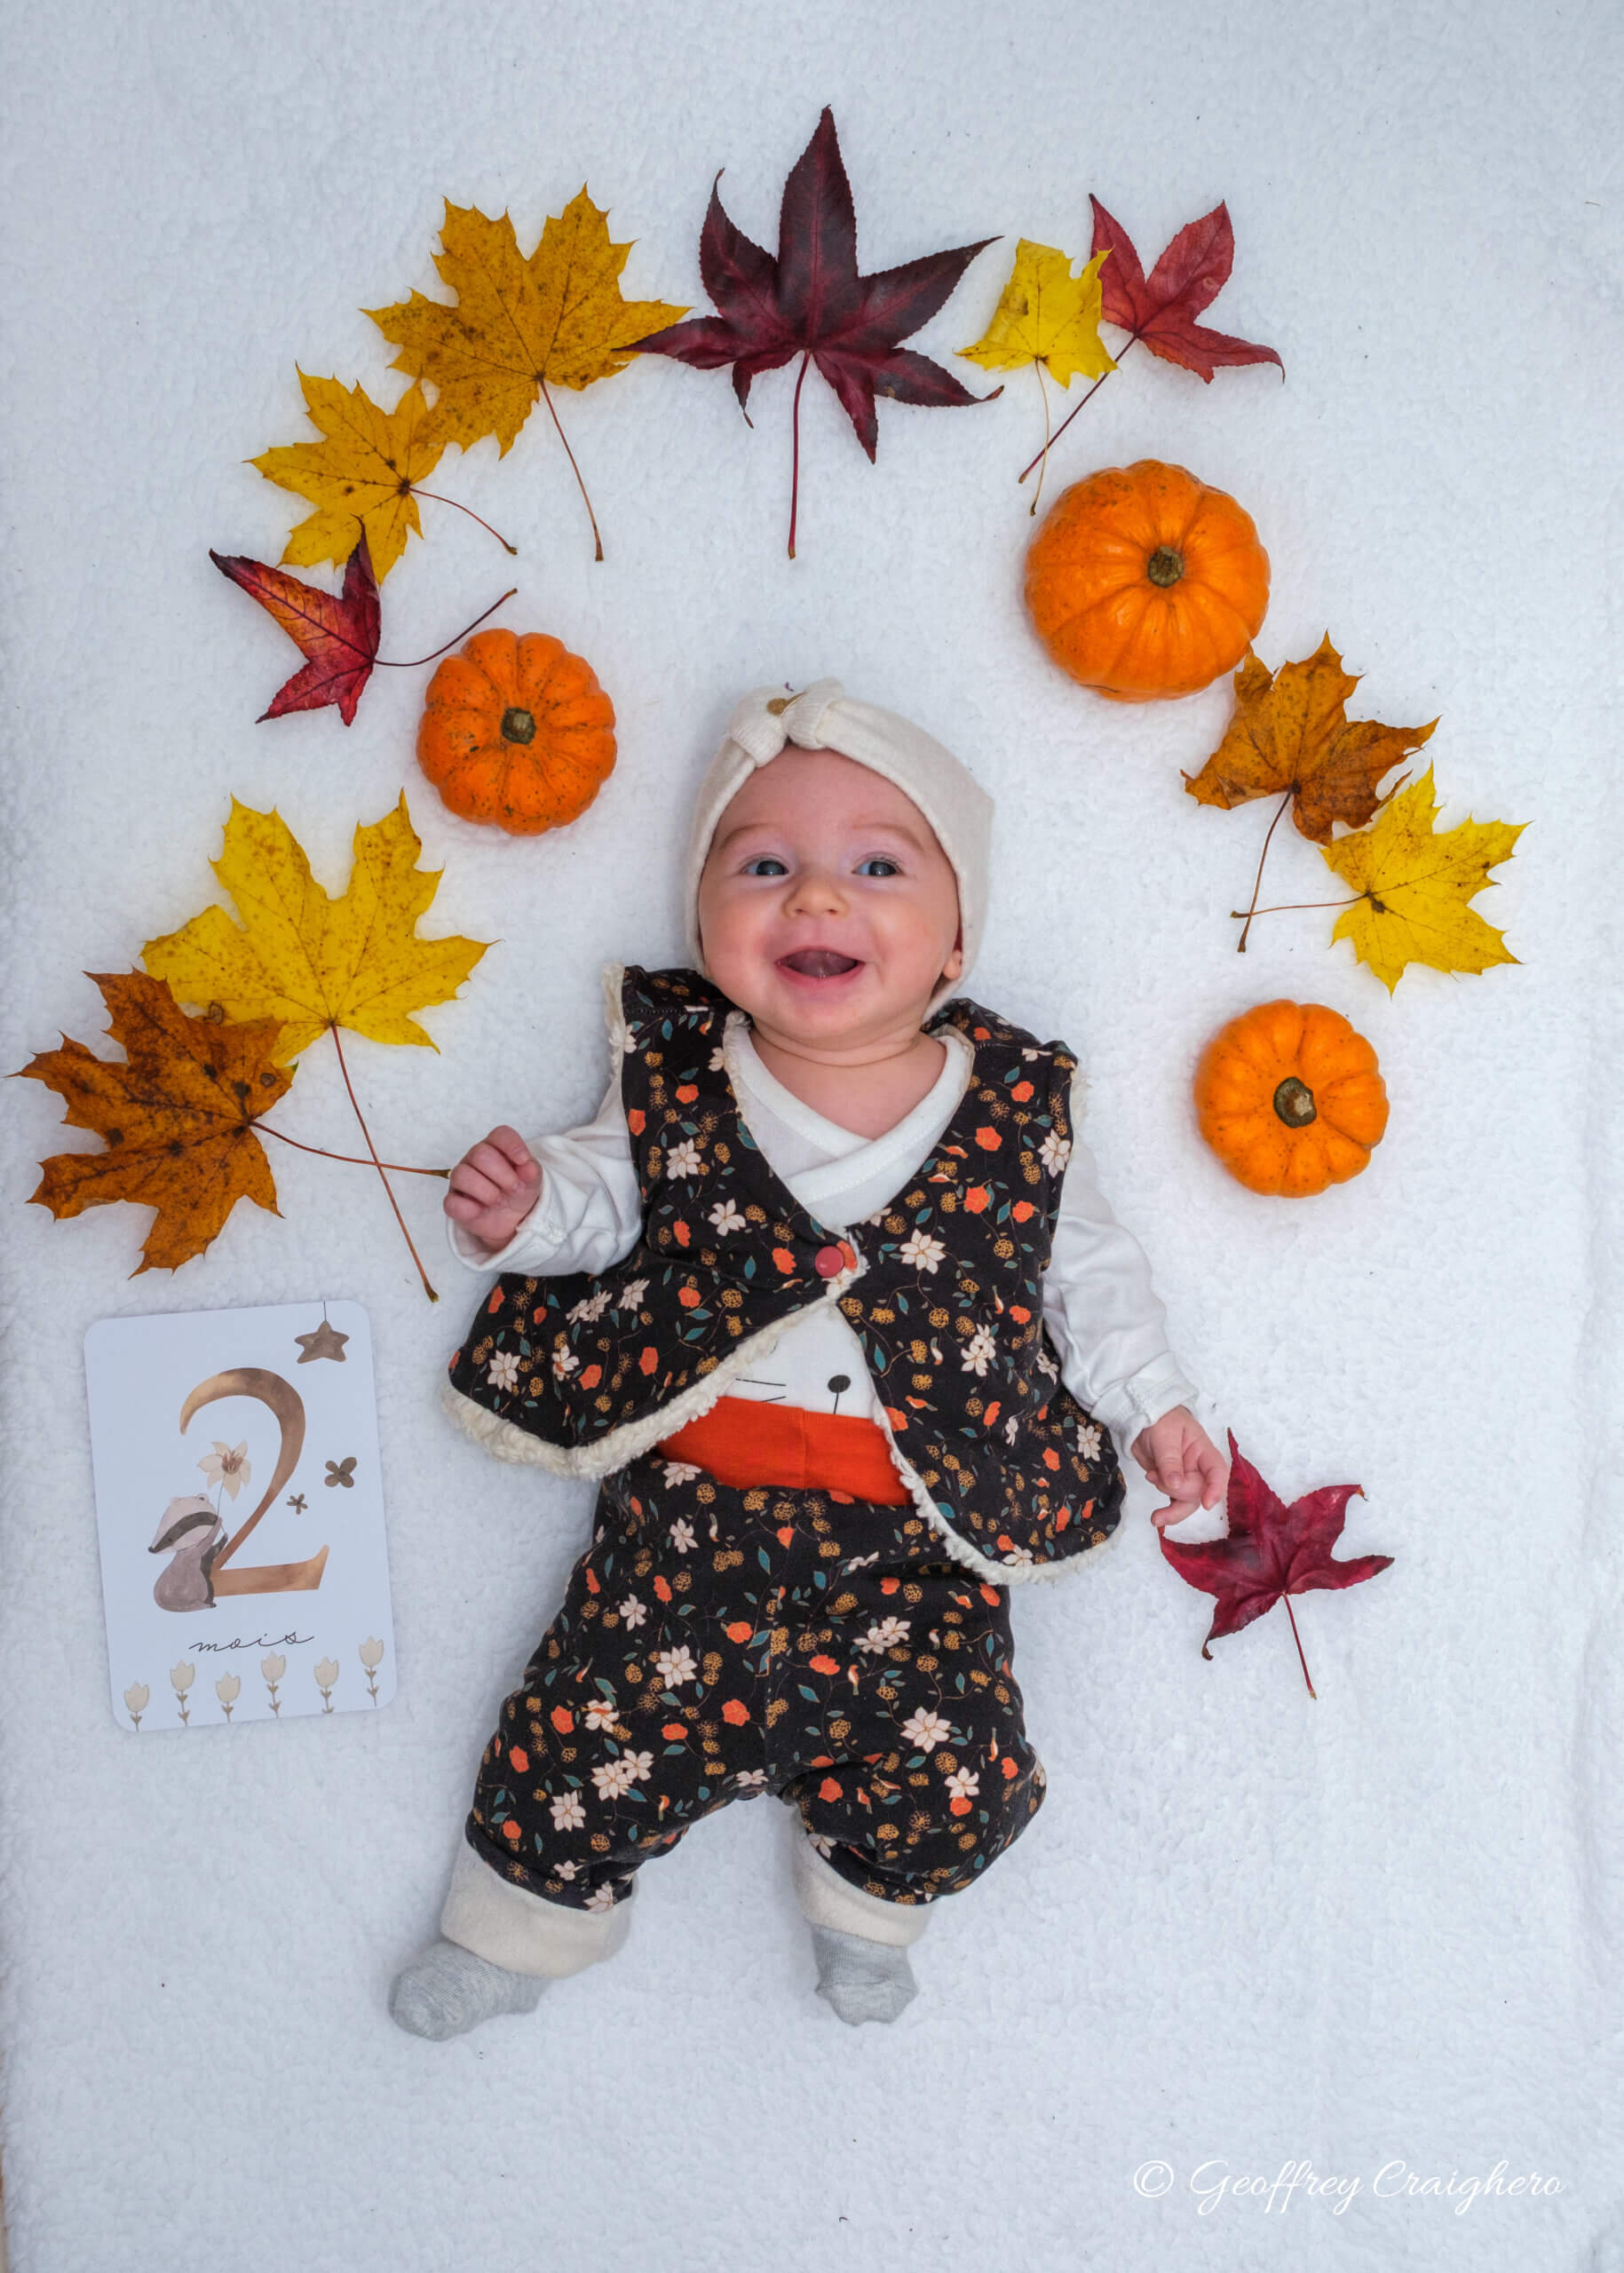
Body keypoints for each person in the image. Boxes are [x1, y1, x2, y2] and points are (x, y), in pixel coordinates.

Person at [389, 678, 1227, 2040]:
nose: (819, 897)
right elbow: (603, 1205)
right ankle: (517, 1930)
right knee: (583, 1733)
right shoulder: (679, 1075)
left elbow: (1089, 1278)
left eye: (878, 868)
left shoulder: (1015, 1111)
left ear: (956, 942)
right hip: (686, 1524)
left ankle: (870, 1905)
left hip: (916, 1535)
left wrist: (1155, 1405)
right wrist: (527, 1211)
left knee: (952, 1763)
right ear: (702, 921)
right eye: (763, 866)